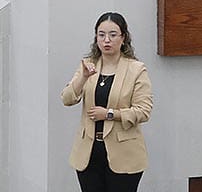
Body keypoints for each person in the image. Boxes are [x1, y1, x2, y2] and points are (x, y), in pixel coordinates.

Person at [61, 12, 153, 192]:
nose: (106, 40)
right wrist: (83, 78)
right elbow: (67, 98)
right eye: (101, 35)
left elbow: (143, 111)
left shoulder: (136, 70)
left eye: (113, 35)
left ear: (123, 38)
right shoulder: (88, 65)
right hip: (89, 153)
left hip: (124, 153)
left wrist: (110, 114)